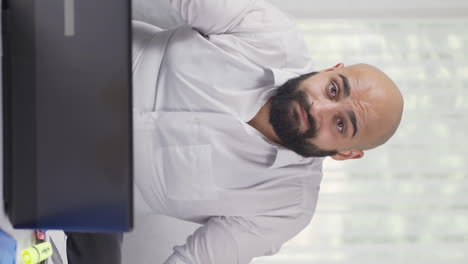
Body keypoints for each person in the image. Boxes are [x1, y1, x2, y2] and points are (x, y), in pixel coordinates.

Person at [66, 0, 404, 263]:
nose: (318, 108)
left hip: (92, 191)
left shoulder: (288, 206)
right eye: (333, 89)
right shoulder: (271, 34)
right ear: (332, 70)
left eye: (341, 124)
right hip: (81, 56)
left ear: (346, 153)